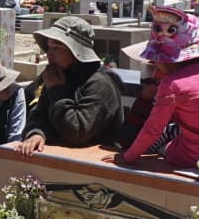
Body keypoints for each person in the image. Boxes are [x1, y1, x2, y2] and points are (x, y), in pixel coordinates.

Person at [117, 8, 199, 169]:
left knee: (165, 146)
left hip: (195, 152)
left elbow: (152, 129)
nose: (154, 65)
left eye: (154, 59)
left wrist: (127, 158)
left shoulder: (173, 84)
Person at [17, 18, 123, 156]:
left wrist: (57, 91)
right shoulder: (58, 76)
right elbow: (38, 115)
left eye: (57, 48)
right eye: (49, 47)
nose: (49, 54)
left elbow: (77, 133)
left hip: (94, 167)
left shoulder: (100, 84)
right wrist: (37, 133)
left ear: (75, 52)